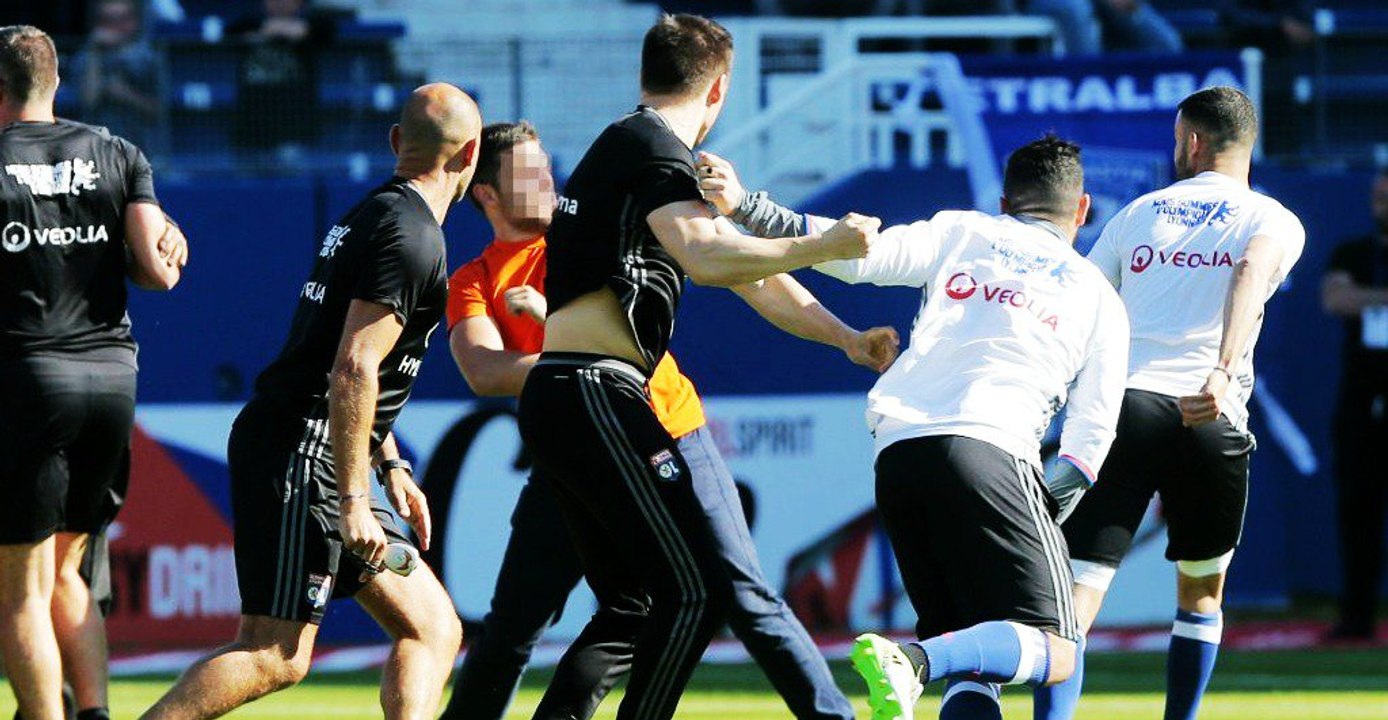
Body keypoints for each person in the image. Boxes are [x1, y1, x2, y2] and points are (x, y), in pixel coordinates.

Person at [440, 122, 894, 720]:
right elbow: (482, 371)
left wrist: (845, 338)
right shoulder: (478, 277)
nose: (547, 179)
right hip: (575, 443)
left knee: (731, 594)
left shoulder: (597, 223)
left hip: (664, 428)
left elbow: (743, 272)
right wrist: (569, 355)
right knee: (527, 619)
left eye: (547, 165)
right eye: (528, 172)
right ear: (487, 194)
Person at [703, 136, 1130, 720]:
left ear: (1004, 201)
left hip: (900, 456)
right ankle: (914, 662)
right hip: (993, 452)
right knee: (1056, 649)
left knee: (974, 664)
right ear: (1082, 210)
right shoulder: (1098, 294)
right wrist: (1042, 513)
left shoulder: (963, 230)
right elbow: (1090, 437)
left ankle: (926, 663)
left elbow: (850, 254)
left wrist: (746, 205)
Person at [138, 83, 479, 720]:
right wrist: (355, 499)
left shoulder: (373, 214)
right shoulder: (413, 237)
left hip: (320, 449)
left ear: (397, 143)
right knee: (274, 653)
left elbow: (353, 367)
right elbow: (352, 367)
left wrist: (391, 468)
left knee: (432, 627)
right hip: (307, 455)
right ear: (472, 155)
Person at [1036, 86, 1306, 720]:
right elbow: (1248, 272)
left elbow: (1081, 302)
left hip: (1126, 409)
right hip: (1208, 414)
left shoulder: (1139, 213)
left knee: (1078, 593)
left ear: (1191, 142)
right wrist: (1221, 369)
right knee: (1201, 596)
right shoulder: (1275, 220)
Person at [0, 24, 188, 720]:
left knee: (19, 586)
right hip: (112, 380)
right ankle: (96, 714)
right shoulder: (115, 151)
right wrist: (177, 239)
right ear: (55, 82)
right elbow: (159, 272)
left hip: (28, 382)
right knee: (67, 571)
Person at [1320, 170, 1388, 642]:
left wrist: (1370, 300)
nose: (1382, 203)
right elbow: (1336, 298)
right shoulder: (1352, 252)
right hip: (1362, 400)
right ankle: (1357, 618)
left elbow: (1353, 298)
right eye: (1378, 196)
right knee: (1358, 511)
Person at [228, 0, 334, 167]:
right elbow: (228, 30)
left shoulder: (312, 25)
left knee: (293, 184)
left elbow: (328, 30)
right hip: (251, 128)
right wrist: (265, 30)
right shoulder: (248, 22)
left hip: (293, 128)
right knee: (248, 184)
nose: (280, 4)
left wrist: (301, 30)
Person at [69, 0, 162, 153]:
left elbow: (162, 112)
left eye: (122, 19)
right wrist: (95, 51)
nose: (116, 27)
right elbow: (88, 100)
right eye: (108, 21)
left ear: (135, 21)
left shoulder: (150, 58)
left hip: (143, 152)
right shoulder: (86, 58)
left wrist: (126, 94)